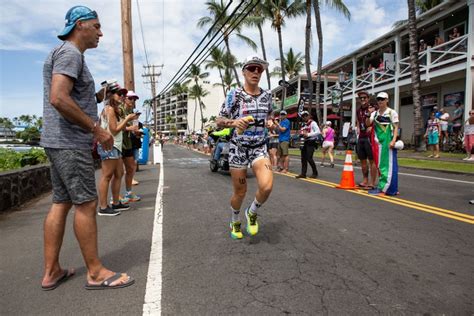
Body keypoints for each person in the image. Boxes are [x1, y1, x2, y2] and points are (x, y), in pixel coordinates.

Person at [40, 5, 134, 291]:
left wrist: (97, 95)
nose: (100, 33)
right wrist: (97, 130)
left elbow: (69, 98)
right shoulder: (70, 53)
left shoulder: (60, 54)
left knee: (61, 202)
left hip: (55, 141)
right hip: (70, 142)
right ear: (80, 25)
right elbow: (58, 98)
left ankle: (52, 270)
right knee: (86, 203)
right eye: (96, 26)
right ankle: (95, 272)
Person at [216, 55, 274, 240]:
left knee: (266, 187)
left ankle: (252, 211)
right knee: (240, 192)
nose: (256, 72)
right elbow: (219, 121)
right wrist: (234, 123)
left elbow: (270, 116)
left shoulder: (267, 96)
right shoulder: (234, 95)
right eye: (251, 68)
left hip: (259, 147)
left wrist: (271, 123)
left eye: (259, 69)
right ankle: (235, 219)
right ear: (244, 71)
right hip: (238, 148)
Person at [97, 81, 137, 214]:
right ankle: (103, 207)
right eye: (119, 93)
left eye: (123, 94)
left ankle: (115, 202)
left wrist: (128, 124)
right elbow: (114, 130)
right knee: (107, 176)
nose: (122, 96)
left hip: (115, 146)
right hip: (110, 145)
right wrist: (127, 119)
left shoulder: (114, 109)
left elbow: (117, 128)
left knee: (119, 174)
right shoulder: (109, 109)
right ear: (110, 94)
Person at [367, 92, 400, 196]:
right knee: (380, 166)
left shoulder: (392, 112)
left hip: (388, 142)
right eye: (379, 99)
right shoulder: (375, 113)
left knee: (389, 165)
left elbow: (395, 128)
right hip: (378, 143)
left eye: (382, 99)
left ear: (387, 100)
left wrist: (393, 140)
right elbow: (368, 123)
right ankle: (384, 186)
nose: (380, 101)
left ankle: (388, 189)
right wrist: (368, 114)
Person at [121, 90, 141, 202]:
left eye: (135, 99)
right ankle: (114, 198)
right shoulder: (120, 110)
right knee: (116, 173)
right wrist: (130, 128)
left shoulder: (131, 112)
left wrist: (136, 132)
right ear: (124, 98)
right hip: (118, 145)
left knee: (130, 168)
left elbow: (131, 129)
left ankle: (128, 194)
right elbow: (115, 126)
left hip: (127, 143)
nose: (133, 101)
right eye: (131, 98)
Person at [355, 91, 377, 189]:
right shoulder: (358, 110)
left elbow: (379, 121)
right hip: (361, 137)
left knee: (372, 160)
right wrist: (358, 129)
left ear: (368, 98)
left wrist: (373, 127)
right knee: (362, 160)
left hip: (370, 137)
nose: (363, 99)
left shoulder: (373, 109)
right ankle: (365, 180)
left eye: (364, 97)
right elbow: (359, 121)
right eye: (361, 98)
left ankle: (372, 183)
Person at [295, 111, 320, 179]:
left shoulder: (313, 123)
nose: (304, 117)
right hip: (304, 142)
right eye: (303, 116)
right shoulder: (304, 125)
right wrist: (301, 134)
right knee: (303, 159)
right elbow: (302, 132)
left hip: (311, 141)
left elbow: (318, 132)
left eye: (306, 115)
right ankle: (303, 174)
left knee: (309, 158)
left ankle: (315, 172)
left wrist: (308, 134)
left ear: (309, 116)